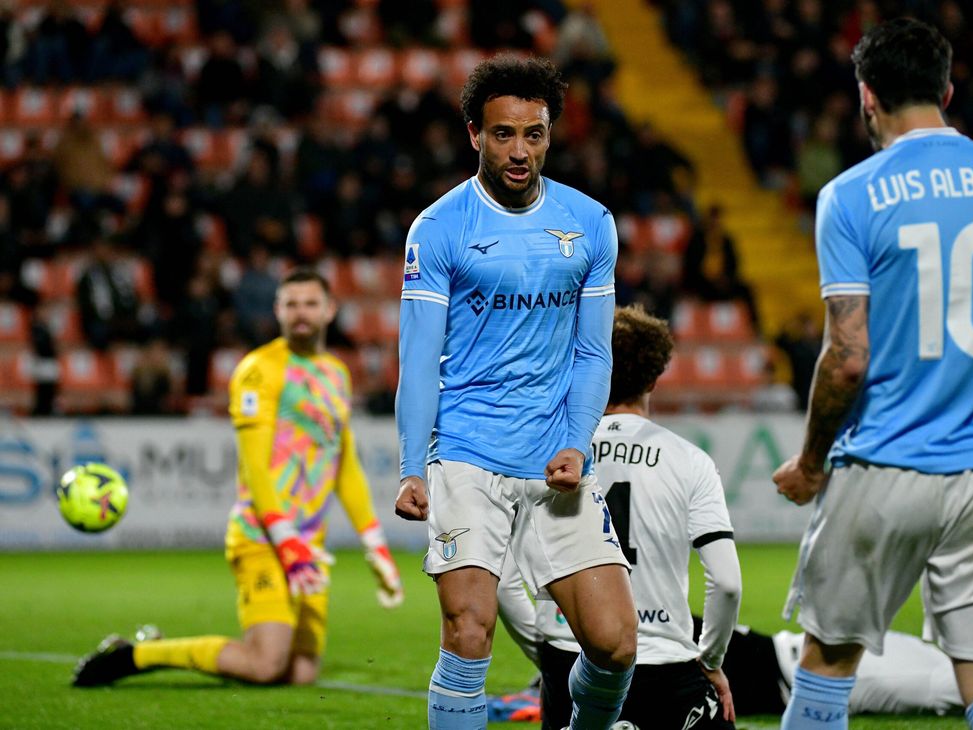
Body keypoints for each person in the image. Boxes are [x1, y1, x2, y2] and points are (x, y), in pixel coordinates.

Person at [772, 18, 973, 730]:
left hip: (885, 465)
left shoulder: (851, 195)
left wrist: (811, 464)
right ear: (947, 91)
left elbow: (848, 357)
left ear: (866, 95)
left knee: (827, 666)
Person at [394, 55, 637, 729]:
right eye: (503, 134)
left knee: (616, 644)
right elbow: (419, 360)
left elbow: (593, 351)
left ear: (550, 134)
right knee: (469, 631)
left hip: (553, 459)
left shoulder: (590, 222)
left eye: (534, 134)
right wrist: (412, 466)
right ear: (475, 134)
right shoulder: (439, 229)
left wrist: (577, 443)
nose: (520, 151)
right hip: (467, 454)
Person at [72, 268, 403, 687]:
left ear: (329, 310)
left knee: (300, 674)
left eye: (310, 304)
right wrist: (286, 541)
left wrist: (374, 542)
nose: (301, 313)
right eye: (292, 304)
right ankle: (134, 655)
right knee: (265, 665)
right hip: (262, 535)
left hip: (309, 543)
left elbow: (344, 462)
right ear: (278, 310)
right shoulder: (259, 369)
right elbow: (255, 466)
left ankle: (155, 646)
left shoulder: (336, 373)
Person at [498, 305, 742, 730]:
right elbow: (727, 582)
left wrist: (547, 648)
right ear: (654, 377)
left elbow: (502, 582)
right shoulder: (690, 460)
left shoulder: (549, 459)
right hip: (664, 665)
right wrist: (711, 660)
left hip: (572, 661)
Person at [721, 626, 973, 717]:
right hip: (817, 654)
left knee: (955, 684)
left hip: (835, 673)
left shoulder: (684, 643)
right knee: (957, 681)